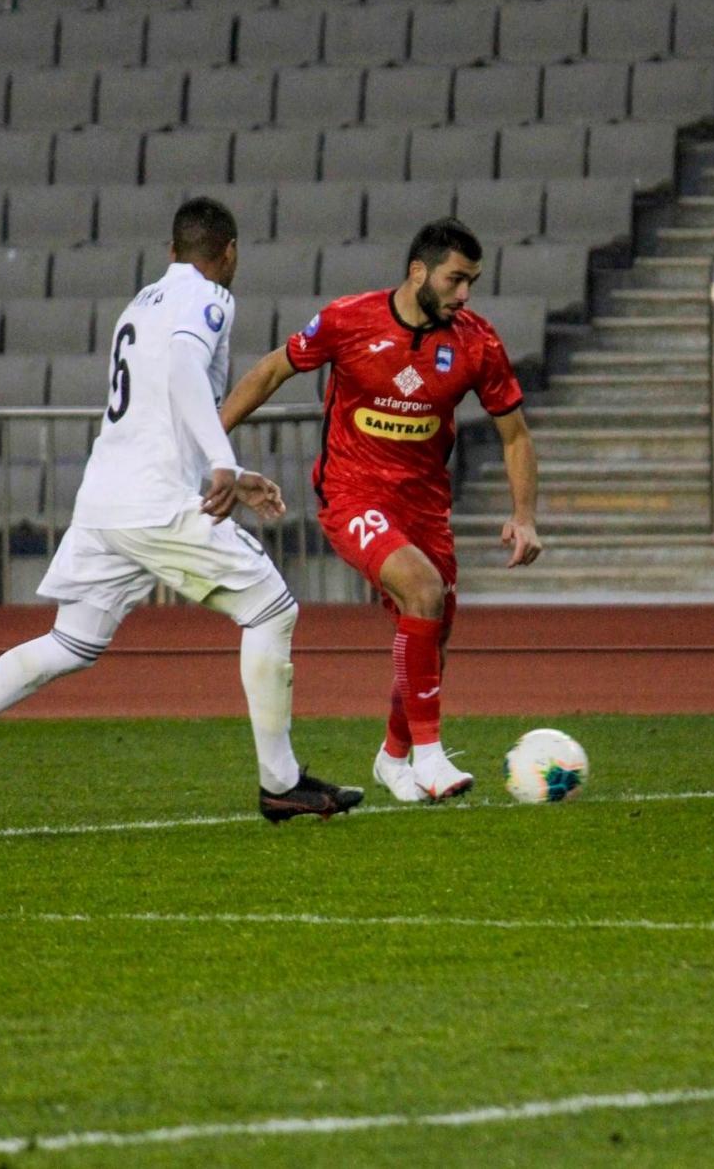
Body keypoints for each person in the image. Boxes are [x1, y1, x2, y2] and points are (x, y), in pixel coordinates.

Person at [0, 197, 363, 827]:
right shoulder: (210, 297)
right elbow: (183, 371)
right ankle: (280, 783)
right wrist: (222, 461)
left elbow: (156, 411)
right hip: (153, 503)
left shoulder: (140, 304)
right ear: (229, 253)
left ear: (171, 251)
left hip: (106, 500)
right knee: (273, 609)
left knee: (70, 642)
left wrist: (227, 472)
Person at [221, 218, 542, 804]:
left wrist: (524, 516)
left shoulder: (477, 342)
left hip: (425, 504)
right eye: (455, 279)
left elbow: (515, 434)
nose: (465, 294)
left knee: (432, 633)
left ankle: (394, 758)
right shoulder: (348, 320)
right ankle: (430, 756)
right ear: (418, 271)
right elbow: (270, 371)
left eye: (471, 282)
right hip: (352, 493)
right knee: (423, 590)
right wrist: (211, 444)